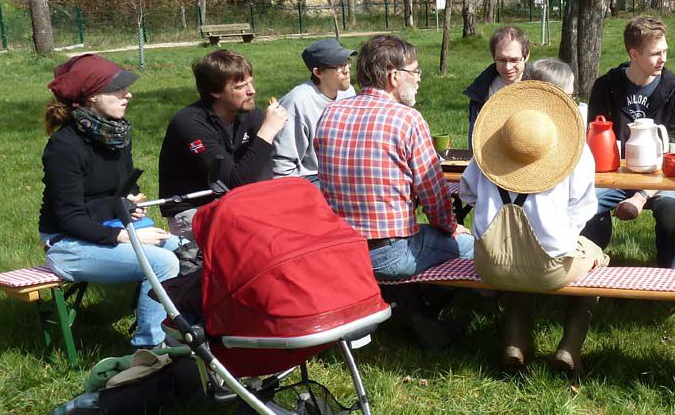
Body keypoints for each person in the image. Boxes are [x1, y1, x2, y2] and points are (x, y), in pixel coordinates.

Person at [460, 77, 607, 378]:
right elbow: (585, 208)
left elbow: (467, 193)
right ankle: (570, 347)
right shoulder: (576, 154)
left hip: (490, 264)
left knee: (517, 260)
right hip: (547, 269)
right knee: (598, 258)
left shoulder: (488, 149)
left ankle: (515, 343)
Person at [38, 54, 180, 349]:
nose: (128, 94)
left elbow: (122, 187)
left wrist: (131, 201)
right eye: (117, 89)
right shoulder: (65, 147)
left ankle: (183, 331)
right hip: (66, 243)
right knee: (163, 262)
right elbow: (69, 219)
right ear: (91, 98)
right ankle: (149, 349)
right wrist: (125, 235)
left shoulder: (116, 133)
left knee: (185, 250)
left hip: (110, 227)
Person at [315, 34, 473, 280]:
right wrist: (453, 228)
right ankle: (494, 307)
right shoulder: (407, 119)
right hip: (390, 254)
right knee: (471, 247)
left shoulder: (329, 114)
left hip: (339, 250)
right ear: (394, 76)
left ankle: (411, 310)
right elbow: (433, 196)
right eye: (416, 71)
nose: (419, 78)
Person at [582, 16, 675, 268]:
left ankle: (666, 275)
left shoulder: (674, 88)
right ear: (634, 54)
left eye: (665, 51)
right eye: (655, 54)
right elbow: (593, 144)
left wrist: (641, 196)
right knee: (582, 205)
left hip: (661, 177)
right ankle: (588, 265)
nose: (663, 59)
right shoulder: (606, 86)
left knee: (670, 211)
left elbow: (674, 153)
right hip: (613, 175)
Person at [158, 49, 287, 241]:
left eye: (250, 82)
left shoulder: (250, 114)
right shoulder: (190, 123)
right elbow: (232, 183)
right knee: (257, 239)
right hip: (195, 211)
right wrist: (267, 133)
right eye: (240, 86)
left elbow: (263, 177)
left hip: (239, 205)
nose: (252, 90)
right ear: (215, 91)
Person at [271, 38, 356, 182]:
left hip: (343, 171)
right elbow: (281, 165)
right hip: (310, 178)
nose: (346, 70)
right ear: (318, 72)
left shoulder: (348, 93)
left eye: (346, 62)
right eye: (338, 66)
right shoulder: (297, 102)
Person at [463, 26, 530, 144]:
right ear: (493, 56)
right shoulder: (481, 90)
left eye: (514, 60)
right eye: (501, 60)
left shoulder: (540, 86)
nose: (508, 67)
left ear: (526, 56)